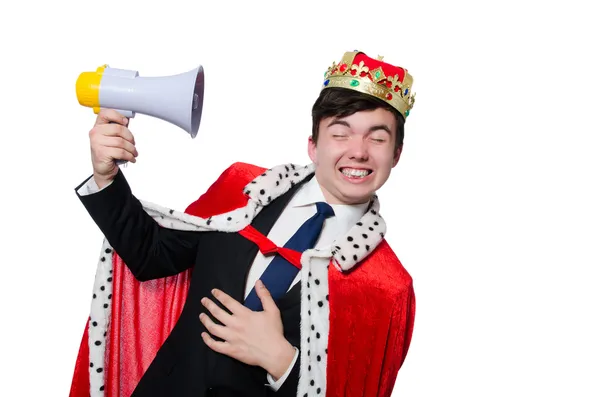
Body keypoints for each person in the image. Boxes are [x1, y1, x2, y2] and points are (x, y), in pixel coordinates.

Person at [69, 50, 417, 397]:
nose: (358, 151)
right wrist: (106, 176)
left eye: (377, 137)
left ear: (396, 154)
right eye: (341, 133)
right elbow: (152, 255)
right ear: (313, 145)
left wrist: (282, 361)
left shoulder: (388, 286)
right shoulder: (243, 190)